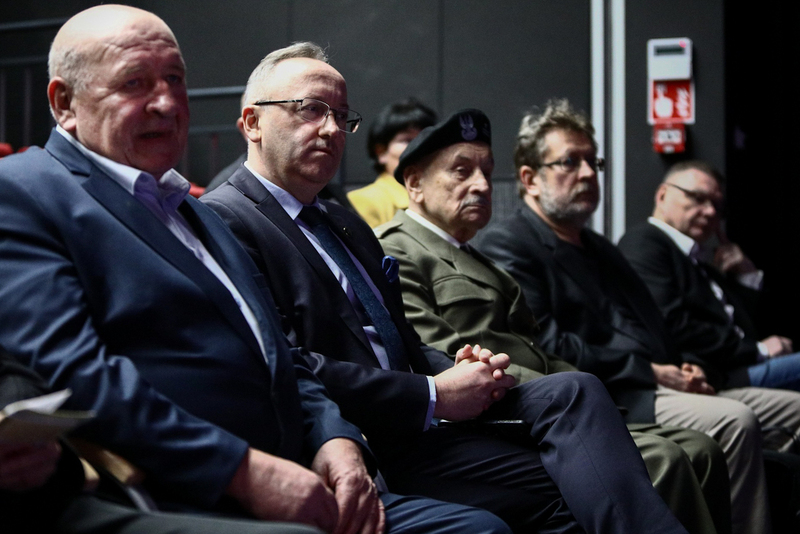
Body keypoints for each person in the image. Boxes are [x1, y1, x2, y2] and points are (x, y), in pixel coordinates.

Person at [0, 7, 512, 534]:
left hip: (304, 469)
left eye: (175, 79)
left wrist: (336, 440)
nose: (167, 102)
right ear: (64, 103)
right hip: (180, 490)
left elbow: (281, 355)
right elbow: (76, 371)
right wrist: (241, 471)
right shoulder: (24, 190)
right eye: (135, 82)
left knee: (483, 527)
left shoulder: (193, 213)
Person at [202, 42, 691, 534]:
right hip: (360, 435)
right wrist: (434, 393)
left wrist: (464, 369)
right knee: (570, 491)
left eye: (341, 116)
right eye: (311, 110)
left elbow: (401, 342)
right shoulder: (226, 218)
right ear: (252, 123)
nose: (331, 129)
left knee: (575, 393)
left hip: (420, 419)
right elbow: (291, 365)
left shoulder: (340, 220)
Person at [374, 110, 734, 534]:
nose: (483, 185)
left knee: (701, 448)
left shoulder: (477, 256)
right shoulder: (396, 251)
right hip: (492, 413)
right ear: (414, 183)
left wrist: (590, 397)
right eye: (462, 171)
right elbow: (443, 358)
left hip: (549, 403)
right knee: (668, 458)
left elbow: (538, 349)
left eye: (488, 172)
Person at [476, 99, 800, 534]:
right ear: (530, 179)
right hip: (612, 393)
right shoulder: (511, 244)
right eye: (570, 162)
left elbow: (655, 325)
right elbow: (546, 343)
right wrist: (651, 371)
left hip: (657, 382)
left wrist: (683, 366)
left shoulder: (601, 248)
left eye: (594, 161)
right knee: (736, 421)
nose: (589, 173)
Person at [618, 161, 800, 392]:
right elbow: (674, 325)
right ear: (662, 196)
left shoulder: (699, 260)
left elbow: (747, 326)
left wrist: (747, 276)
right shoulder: (645, 243)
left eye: (716, 205)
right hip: (715, 376)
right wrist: (758, 351)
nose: (711, 211)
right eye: (698, 198)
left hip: (739, 368)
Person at [346, 98, 436, 227]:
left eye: (424, 139)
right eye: (407, 140)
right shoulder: (362, 201)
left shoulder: (441, 198)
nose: (418, 147)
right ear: (381, 152)